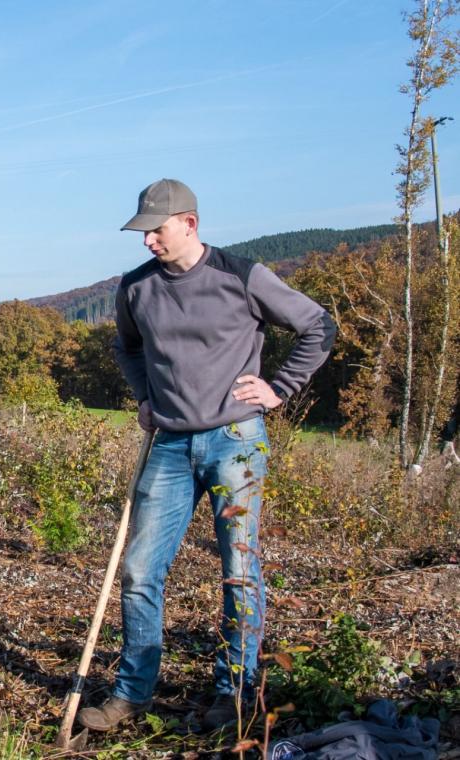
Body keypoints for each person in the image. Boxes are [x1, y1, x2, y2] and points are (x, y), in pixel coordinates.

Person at [78, 179, 335, 732]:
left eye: (157, 230)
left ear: (190, 224)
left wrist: (280, 387)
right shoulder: (135, 288)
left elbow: (318, 326)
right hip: (168, 443)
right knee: (140, 569)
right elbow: (126, 347)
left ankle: (233, 694)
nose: (148, 241)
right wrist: (144, 396)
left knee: (239, 569)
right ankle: (131, 694)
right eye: (143, 232)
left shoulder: (241, 276)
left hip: (235, 440)